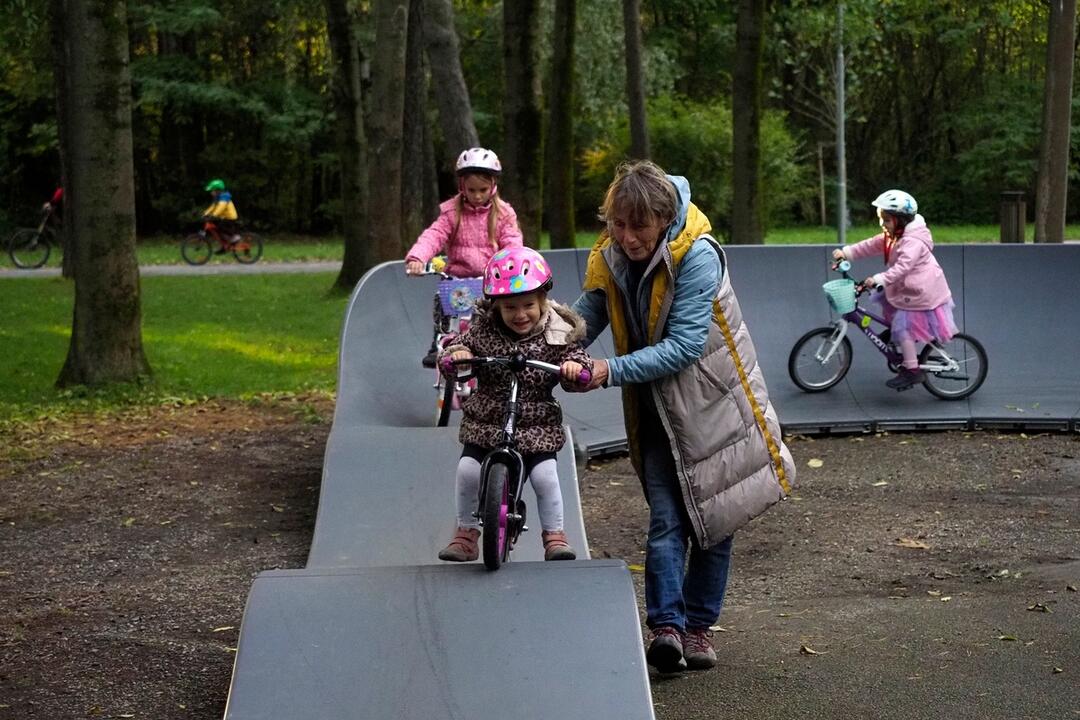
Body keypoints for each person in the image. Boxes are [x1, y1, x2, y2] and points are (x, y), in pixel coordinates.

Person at [569, 160, 795, 673]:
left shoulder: (697, 255)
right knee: (667, 518)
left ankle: (697, 628)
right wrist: (538, 334)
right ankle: (666, 629)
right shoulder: (612, 254)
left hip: (713, 404)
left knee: (715, 521)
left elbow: (686, 345)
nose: (626, 237)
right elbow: (586, 316)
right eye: (617, 225)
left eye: (638, 226)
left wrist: (607, 370)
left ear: (664, 218)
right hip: (655, 407)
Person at [436, 246, 592, 563]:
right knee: (467, 470)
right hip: (488, 418)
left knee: (546, 476)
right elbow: (456, 350)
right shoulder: (483, 329)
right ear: (496, 306)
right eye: (510, 307)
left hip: (537, 423)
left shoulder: (558, 332)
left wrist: (575, 370)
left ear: (544, 300)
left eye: (528, 306)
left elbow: (577, 360)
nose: (520, 315)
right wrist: (458, 357)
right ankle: (466, 533)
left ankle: (555, 536)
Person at [404, 147, 523, 367]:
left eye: (483, 189)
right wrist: (418, 258)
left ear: (493, 186)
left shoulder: (504, 213)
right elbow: (434, 235)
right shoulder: (451, 212)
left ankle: (503, 348)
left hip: (489, 281)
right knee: (443, 304)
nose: (477, 196)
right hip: (457, 280)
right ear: (462, 187)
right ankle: (438, 341)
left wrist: (513, 264)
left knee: (492, 319)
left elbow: (512, 243)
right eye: (471, 190)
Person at [832, 189, 957, 390]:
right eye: (881, 219)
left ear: (901, 220)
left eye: (887, 220)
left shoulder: (913, 241)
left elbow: (903, 267)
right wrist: (847, 253)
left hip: (920, 291)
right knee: (889, 305)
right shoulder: (894, 235)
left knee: (904, 327)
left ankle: (912, 371)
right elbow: (872, 245)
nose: (883, 225)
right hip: (906, 287)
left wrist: (879, 278)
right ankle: (894, 335)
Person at [202, 178, 241, 250]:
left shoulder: (224, 197)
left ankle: (234, 236)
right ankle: (224, 244)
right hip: (224, 217)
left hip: (230, 218)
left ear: (217, 190)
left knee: (220, 227)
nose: (211, 193)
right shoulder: (217, 198)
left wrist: (213, 215)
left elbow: (221, 208)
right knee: (216, 228)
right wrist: (205, 213)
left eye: (212, 191)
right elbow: (212, 207)